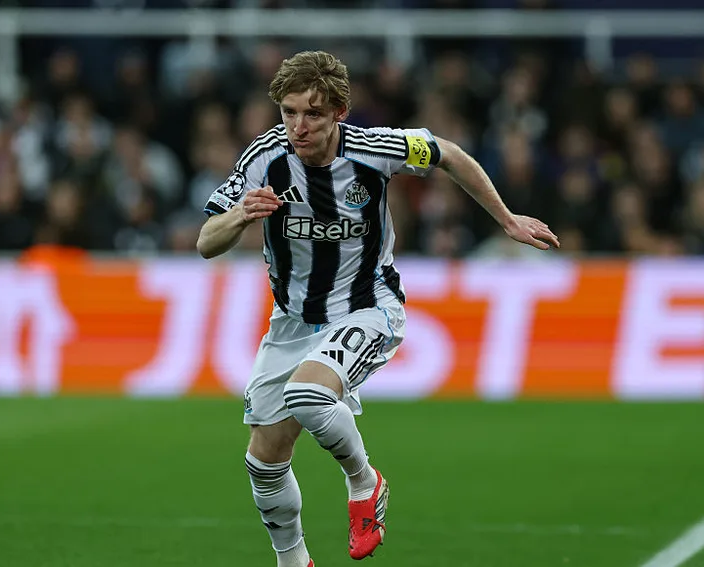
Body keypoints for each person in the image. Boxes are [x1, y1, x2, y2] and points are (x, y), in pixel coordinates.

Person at [196, 51, 559, 567]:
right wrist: (238, 217)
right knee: (263, 461)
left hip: (368, 307)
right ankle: (293, 561)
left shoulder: (374, 149)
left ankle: (365, 482)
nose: (298, 126)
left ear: (340, 111)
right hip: (293, 321)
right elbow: (206, 243)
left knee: (307, 394)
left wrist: (505, 219)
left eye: (313, 114)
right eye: (289, 112)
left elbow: (448, 152)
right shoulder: (263, 158)